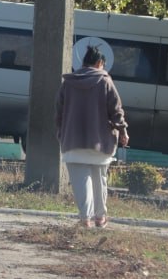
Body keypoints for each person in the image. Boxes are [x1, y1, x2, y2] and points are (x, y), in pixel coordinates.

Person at [56, 45, 129, 228]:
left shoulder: (68, 83)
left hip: (73, 141)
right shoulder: (105, 81)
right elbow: (116, 110)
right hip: (100, 142)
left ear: (84, 63)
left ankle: (85, 219)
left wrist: (61, 133)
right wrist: (122, 131)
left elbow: (58, 112)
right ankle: (100, 217)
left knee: (81, 182)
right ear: (99, 63)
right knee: (99, 180)